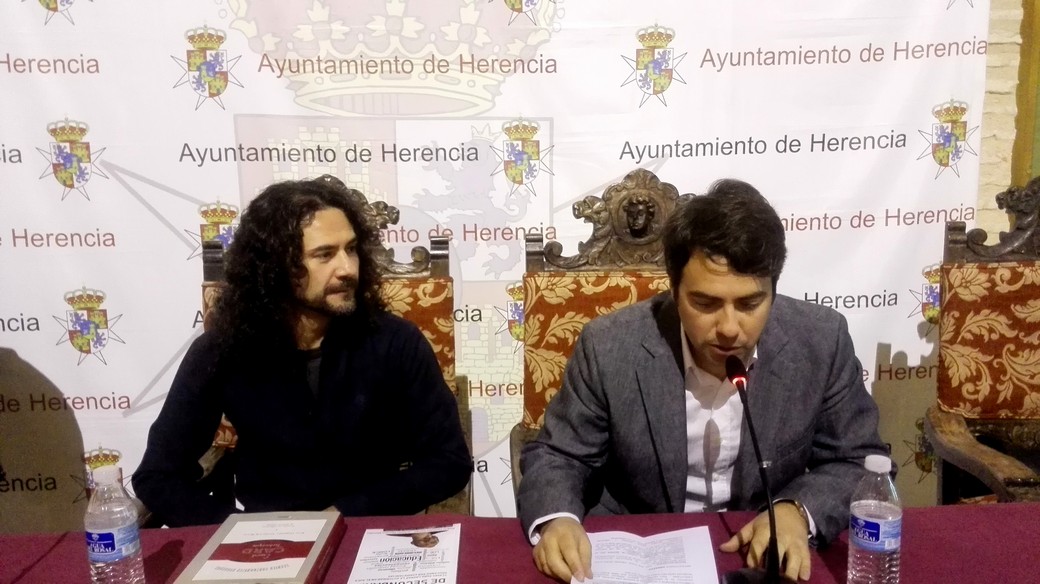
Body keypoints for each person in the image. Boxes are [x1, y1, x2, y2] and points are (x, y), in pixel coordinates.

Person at [517, 179, 887, 582]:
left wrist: (797, 510)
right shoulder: (609, 346)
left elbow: (858, 460)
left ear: (774, 291)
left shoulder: (821, 340)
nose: (729, 328)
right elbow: (560, 456)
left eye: (750, 303)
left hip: (756, 554)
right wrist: (558, 519)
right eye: (705, 303)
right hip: (641, 551)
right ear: (674, 289)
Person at [133, 176, 471, 527]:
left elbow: (449, 461)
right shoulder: (223, 349)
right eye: (325, 255)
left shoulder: (395, 341)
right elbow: (157, 476)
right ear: (277, 266)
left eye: (352, 249)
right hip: (264, 538)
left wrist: (345, 513)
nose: (348, 268)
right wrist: (237, 530)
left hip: (368, 531)